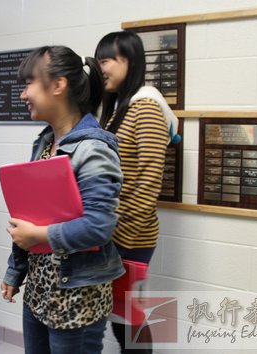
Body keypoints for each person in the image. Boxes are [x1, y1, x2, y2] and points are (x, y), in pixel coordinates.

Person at [0, 46, 125, 354]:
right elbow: (31, 216)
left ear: (58, 85)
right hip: (40, 291)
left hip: (76, 296)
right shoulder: (45, 143)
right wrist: (15, 271)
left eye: (29, 82)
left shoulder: (94, 149)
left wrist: (38, 236)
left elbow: (99, 226)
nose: (23, 94)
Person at [95, 30, 179, 353]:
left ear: (131, 61)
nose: (102, 68)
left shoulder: (145, 107)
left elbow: (148, 181)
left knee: (128, 318)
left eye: (108, 60)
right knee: (120, 316)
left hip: (130, 235)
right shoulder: (119, 108)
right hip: (112, 232)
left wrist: (117, 238)